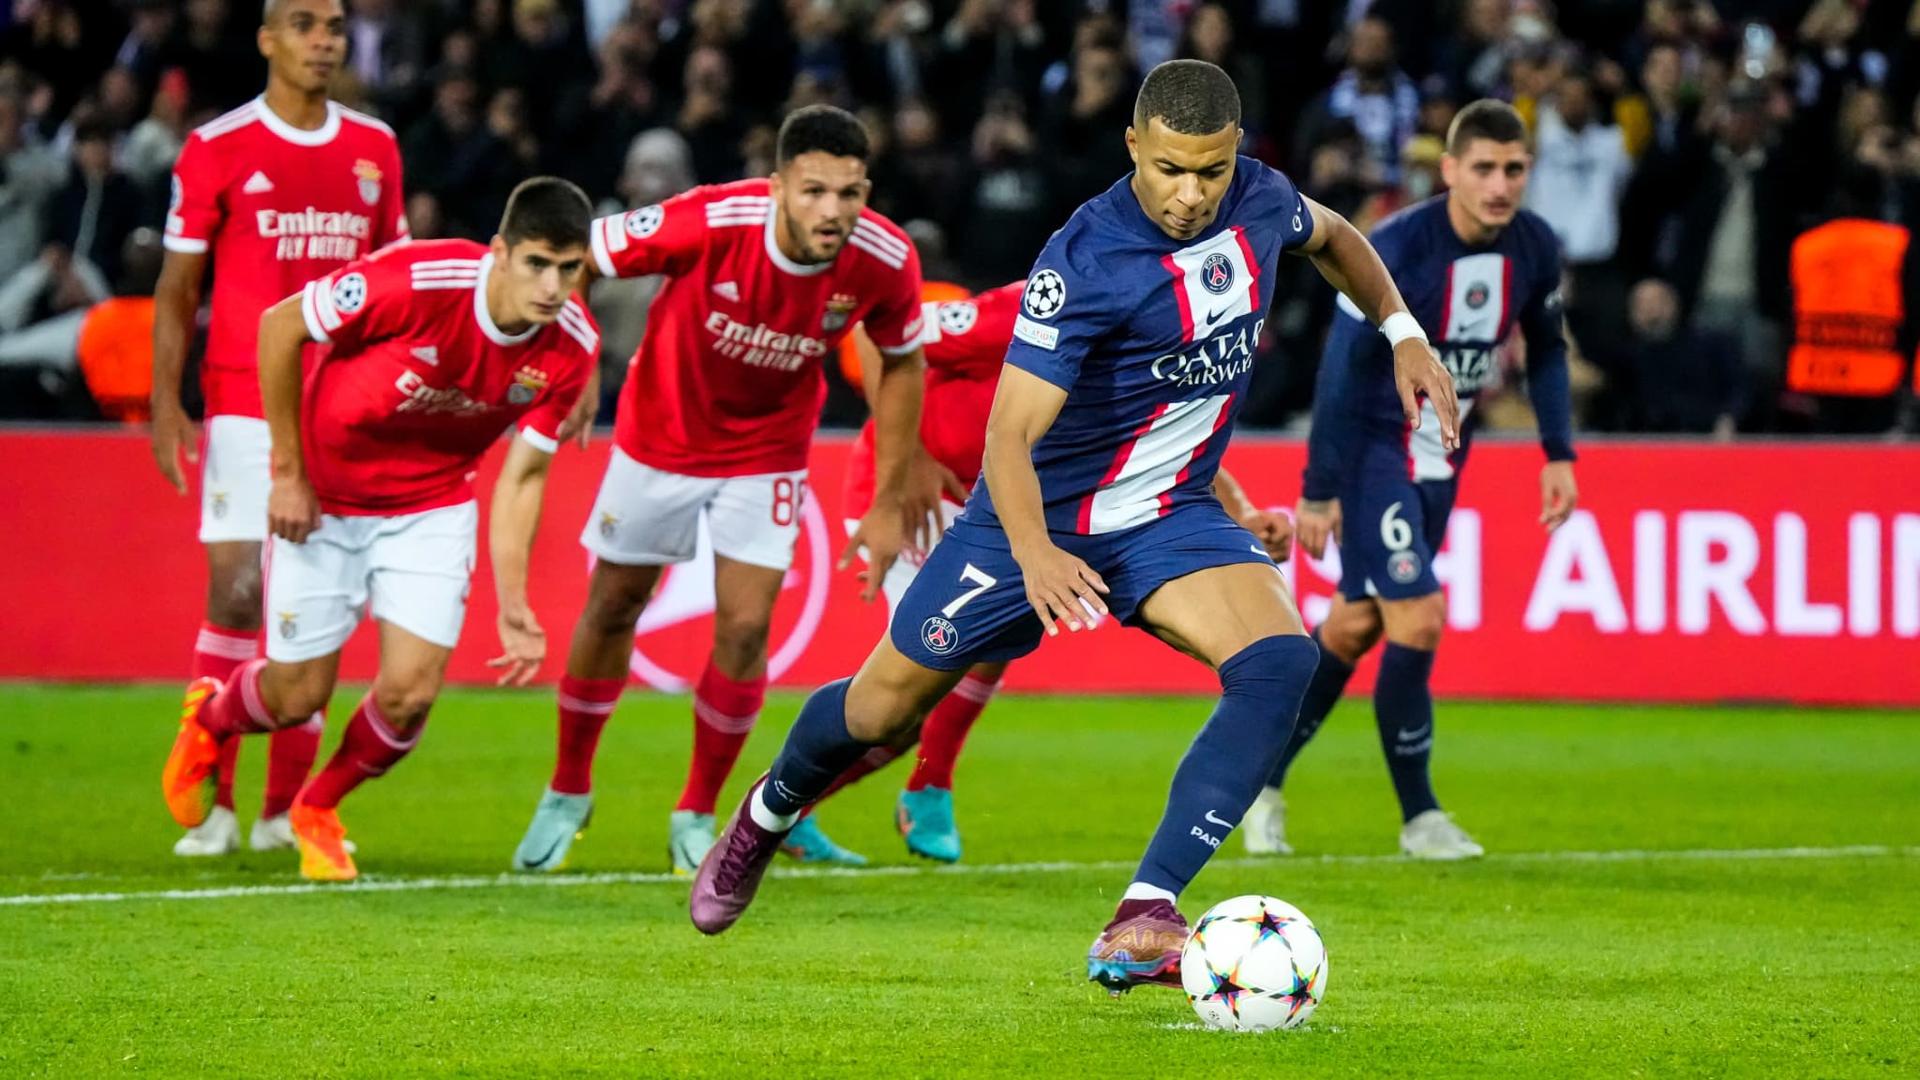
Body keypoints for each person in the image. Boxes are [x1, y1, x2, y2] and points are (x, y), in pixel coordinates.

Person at [683, 60, 1458, 1002]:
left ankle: (1146, 908)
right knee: (882, 709)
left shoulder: (1262, 200)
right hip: (1031, 524)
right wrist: (1039, 554)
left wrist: (1403, 330)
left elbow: (1335, 239)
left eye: (1210, 171)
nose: (1190, 193)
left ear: (1237, 157)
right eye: (1170, 168)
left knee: (1281, 662)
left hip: (1170, 516)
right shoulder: (1084, 260)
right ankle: (763, 817)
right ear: (1133, 146)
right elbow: (1010, 434)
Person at [511, 105, 936, 877]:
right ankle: (568, 788)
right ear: (777, 186)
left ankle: (698, 811)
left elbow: (903, 361)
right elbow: (581, 255)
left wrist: (885, 503)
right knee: (613, 605)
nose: (832, 212)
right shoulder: (708, 219)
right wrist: (570, 364)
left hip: (767, 452)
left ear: (866, 190)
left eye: (848, 194)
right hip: (658, 434)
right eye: (812, 191)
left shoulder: (884, 258)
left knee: (744, 632)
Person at [159, 177, 601, 883]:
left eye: (568, 269)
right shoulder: (418, 279)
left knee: (412, 693)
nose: (552, 287)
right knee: (296, 695)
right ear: (500, 254)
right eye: (537, 264)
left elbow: (522, 478)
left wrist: (513, 600)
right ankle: (210, 718)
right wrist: (288, 474)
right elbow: (280, 325)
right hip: (326, 500)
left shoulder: (573, 348)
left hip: (430, 506)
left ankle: (317, 807)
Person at [799, 282, 1297, 868]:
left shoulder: (1153, 343)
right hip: (917, 500)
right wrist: (907, 459)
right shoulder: (1017, 315)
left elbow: (1166, 446)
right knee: (903, 698)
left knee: (992, 645)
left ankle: (924, 786)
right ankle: (798, 804)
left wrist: (1244, 516)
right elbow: (875, 335)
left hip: (1010, 511)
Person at [1253, 100, 1577, 861]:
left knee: (1353, 627)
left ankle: (1258, 781)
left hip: (1439, 458)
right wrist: (1319, 486)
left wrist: (1558, 452)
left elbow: (1549, 350)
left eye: (1515, 169)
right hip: (1373, 451)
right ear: (1452, 170)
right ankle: (1420, 817)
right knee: (1420, 616)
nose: (1500, 185)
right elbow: (1340, 367)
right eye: (1486, 169)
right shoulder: (1396, 246)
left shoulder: (1534, 247)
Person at [149, 0, 410, 859]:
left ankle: (280, 809)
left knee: (315, 609)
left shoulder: (375, 148)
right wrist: (164, 400)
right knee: (235, 591)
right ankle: (213, 796)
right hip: (243, 401)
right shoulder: (217, 146)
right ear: (266, 39)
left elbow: (392, 281)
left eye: (334, 24)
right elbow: (180, 288)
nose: (323, 39)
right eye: (303, 23)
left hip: (344, 408)